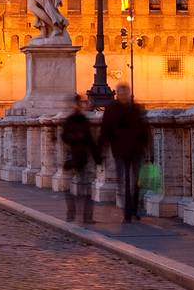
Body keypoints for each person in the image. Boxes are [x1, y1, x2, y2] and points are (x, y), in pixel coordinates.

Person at [95, 84, 152, 223]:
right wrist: (100, 150)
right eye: (121, 93)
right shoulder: (111, 110)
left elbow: (145, 130)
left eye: (125, 93)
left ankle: (134, 209)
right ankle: (127, 211)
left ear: (129, 93)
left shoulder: (136, 109)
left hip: (136, 150)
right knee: (124, 182)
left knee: (136, 181)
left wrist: (148, 149)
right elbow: (105, 130)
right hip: (120, 150)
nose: (123, 96)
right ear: (117, 95)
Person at [60, 94, 97, 224]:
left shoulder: (82, 120)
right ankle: (73, 211)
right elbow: (64, 137)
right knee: (71, 187)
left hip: (81, 157)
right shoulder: (71, 120)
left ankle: (86, 215)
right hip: (73, 157)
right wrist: (76, 137)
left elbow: (90, 140)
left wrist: (97, 157)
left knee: (85, 187)